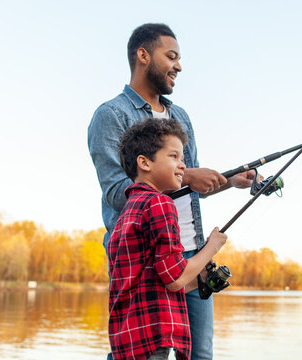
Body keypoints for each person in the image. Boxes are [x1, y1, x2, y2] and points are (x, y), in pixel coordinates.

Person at [88, 23, 255, 359]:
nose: (178, 66)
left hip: (191, 254)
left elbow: (185, 185)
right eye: (171, 56)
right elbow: (117, 191)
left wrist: (229, 180)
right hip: (143, 259)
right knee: (138, 350)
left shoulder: (180, 116)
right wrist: (190, 175)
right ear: (143, 55)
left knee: (199, 354)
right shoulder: (110, 115)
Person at [108, 117, 227, 360]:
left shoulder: (128, 211)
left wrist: (199, 277)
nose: (182, 166)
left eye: (182, 158)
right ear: (144, 163)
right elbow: (174, 279)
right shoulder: (160, 203)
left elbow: (153, 279)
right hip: (154, 338)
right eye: (173, 157)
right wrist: (211, 247)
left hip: (128, 339)